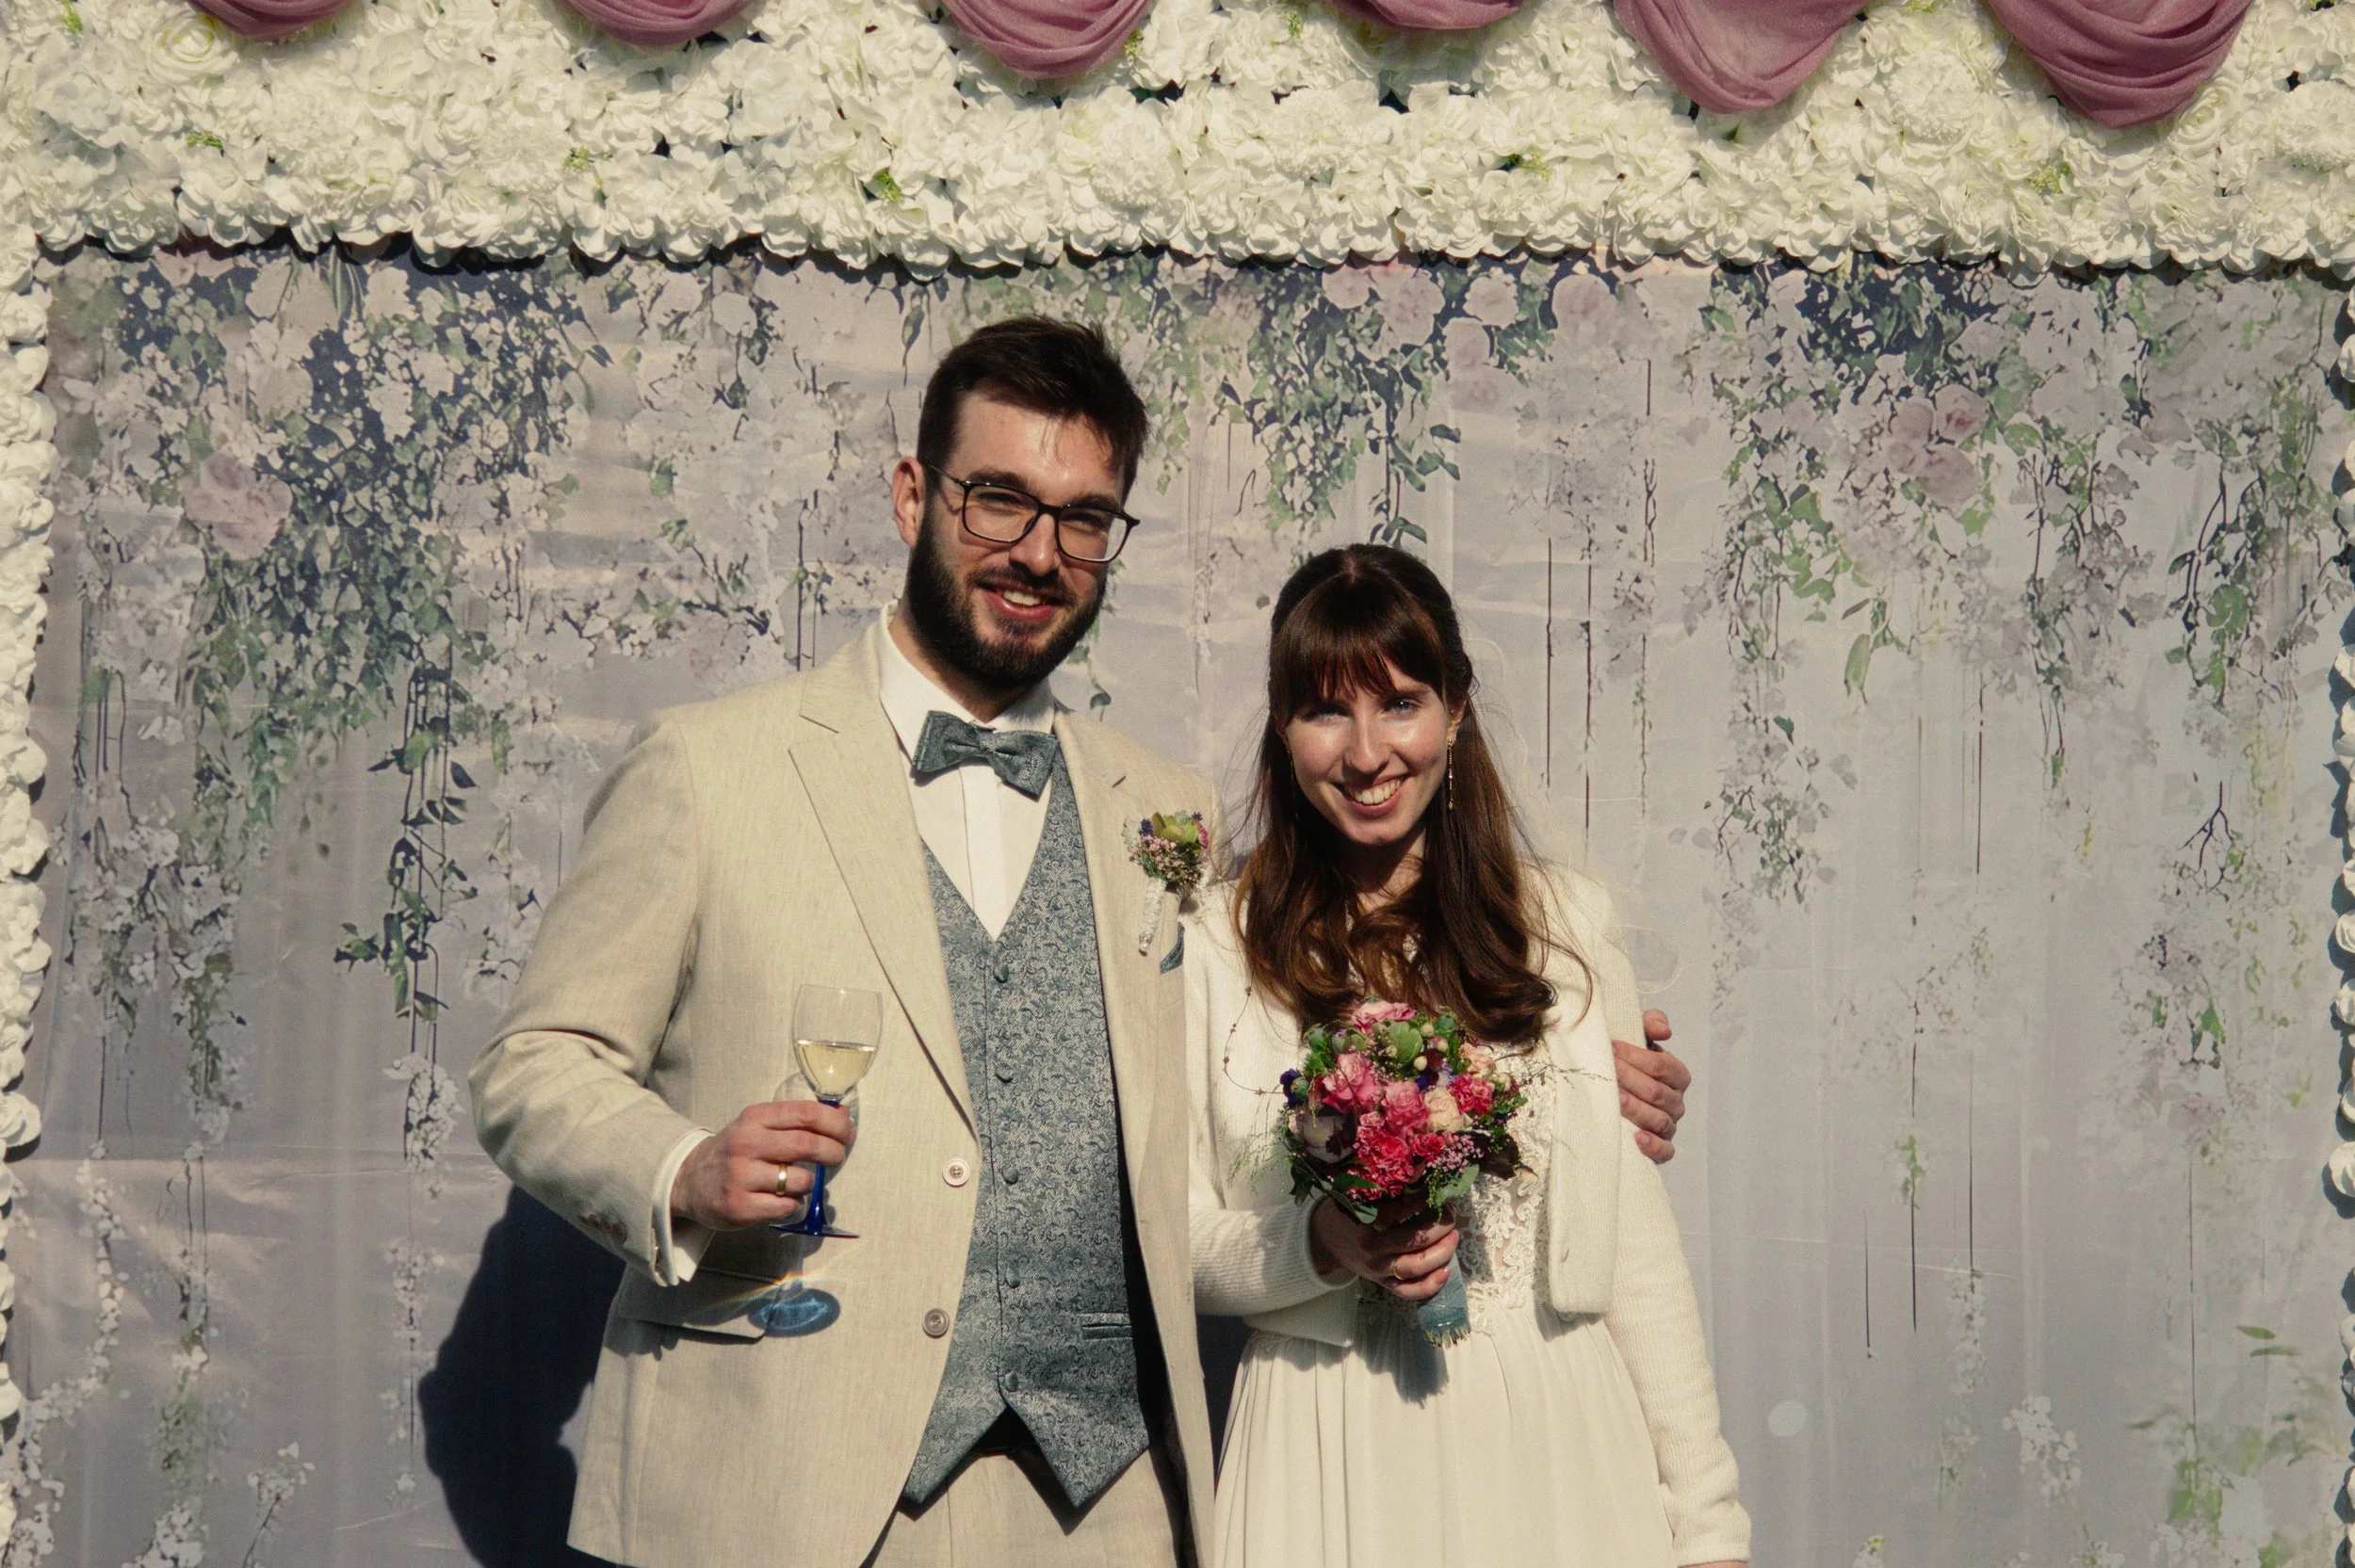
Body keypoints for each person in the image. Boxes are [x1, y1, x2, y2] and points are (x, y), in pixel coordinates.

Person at [472, 316, 1697, 1568]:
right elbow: (533, 1067)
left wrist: (1583, 1080)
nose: (1037, 552)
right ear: (913, 495)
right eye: (997, 500)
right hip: (791, 1471)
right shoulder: (707, 767)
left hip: (1105, 1505)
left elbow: (1248, 1067)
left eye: (1082, 518)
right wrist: (679, 1167)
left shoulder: (1160, 818)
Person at [1186, 544, 1749, 1568]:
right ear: (1281, 725)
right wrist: (1320, 1242)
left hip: (1554, 1443)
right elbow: (1173, 1242)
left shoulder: (1562, 926)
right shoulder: (1215, 942)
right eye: (1324, 711)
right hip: (1327, 1446)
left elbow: (1637, 1258)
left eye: (1400, 702)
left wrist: (1708, 1525)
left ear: (1455, 707)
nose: (1366, 753)